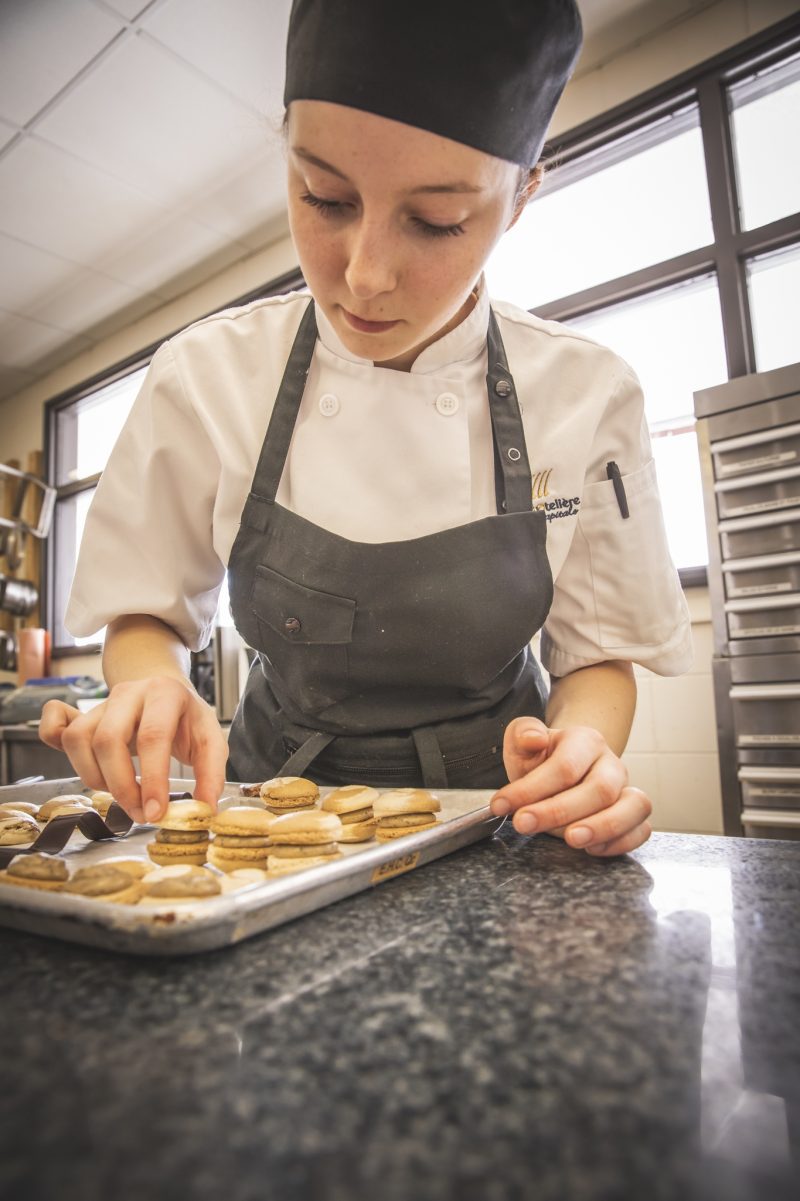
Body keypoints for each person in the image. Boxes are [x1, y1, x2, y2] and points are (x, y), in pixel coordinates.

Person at [41, 0, 693, 858]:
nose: (364, 275)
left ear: (524, 194)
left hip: (498, 816)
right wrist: (152, 687)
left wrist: (583, 751)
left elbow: (598, 659)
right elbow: (145, 613)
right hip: (270, 822)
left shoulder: (585, 391)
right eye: (324, 197)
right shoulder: (208, 375)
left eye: (436, 221)